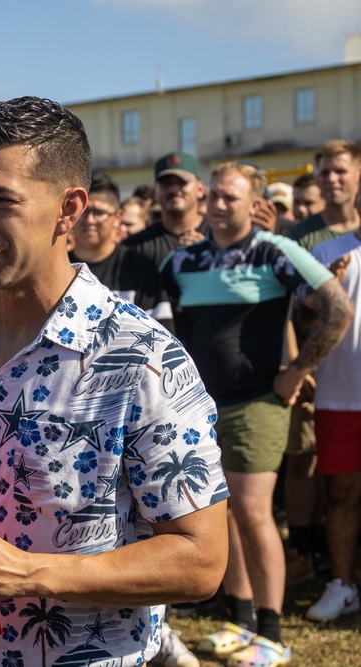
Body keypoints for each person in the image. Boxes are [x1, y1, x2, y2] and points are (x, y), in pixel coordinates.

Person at [0, 96, 229, 667]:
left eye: (0, 200)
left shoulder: (142, 358)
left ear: (69, 209)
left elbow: (200, 559)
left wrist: (29, 573)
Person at [160, 162, 352, 667]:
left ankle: (271, 632)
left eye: (231, 197)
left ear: (253, 204)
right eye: (216, 196)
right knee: (217, 513)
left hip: (257, 403)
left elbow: (336, 309)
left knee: (251, 511)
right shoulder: (183, 262)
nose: (220, 205)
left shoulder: (276, 251)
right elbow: (174, 327)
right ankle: (240, 619)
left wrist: (298, 368)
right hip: (196, 406)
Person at [304, 228, 361, 622]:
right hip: (339, 394)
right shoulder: (327, 251)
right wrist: (329, 289)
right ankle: (343, 585)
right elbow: (302, 319)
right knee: (340, 494)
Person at [69, 173, 173, 331]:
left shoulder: (140, 268)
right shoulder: (55, 268)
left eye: (98, 213)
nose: (89, 220)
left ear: (118, 217)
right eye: (83, 212)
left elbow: (161, 335)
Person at [125, 151, 209, 268]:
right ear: (156, 191)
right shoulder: (135, 246)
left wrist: (209, 253)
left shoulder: (219, 236)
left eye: (182, 182)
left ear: (200, 189)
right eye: (166, 183)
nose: (174, 189)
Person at [285, 140, 361, 252]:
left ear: (358, 175)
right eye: (325, 173)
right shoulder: (298, 236)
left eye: (340, 171)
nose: (331, 179)